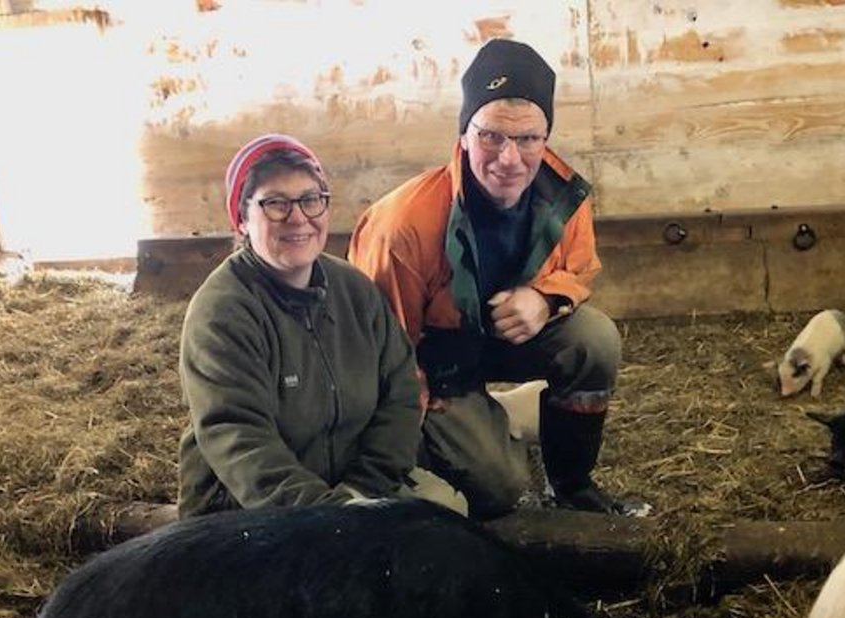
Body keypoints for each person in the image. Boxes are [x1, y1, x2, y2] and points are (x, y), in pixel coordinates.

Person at [348, 39, 645, 519]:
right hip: (436, 367)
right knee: (503, 489)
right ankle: (454, 438)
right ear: (464, 134)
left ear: (545, 137)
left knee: (594, 339)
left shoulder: (564, 196)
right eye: (491, 137)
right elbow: (380, 347)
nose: (510, 159)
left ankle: (571, 484)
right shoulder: (402, 227)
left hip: (498, 339)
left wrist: (546, 299)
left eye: (528, 139)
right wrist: (412, 403)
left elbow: (581, 268)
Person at [178, 134, 456, 517]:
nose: (298, 218)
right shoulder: (224, 312)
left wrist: (364, 489)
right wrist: (328, 517)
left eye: (311, 199)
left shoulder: (355, 291)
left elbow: (401, 393)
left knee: (449, 513)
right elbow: (239, 438)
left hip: (357, 493)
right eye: (275, 203)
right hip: (253, 514)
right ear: (241, 219)